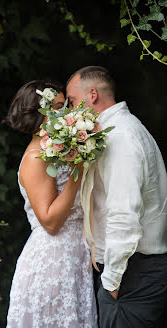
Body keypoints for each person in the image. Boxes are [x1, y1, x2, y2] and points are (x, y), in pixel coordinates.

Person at [66, 66, 167, 328]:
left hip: (132, 274)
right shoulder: (118, 130)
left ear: (92, 95)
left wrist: (110, 284)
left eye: (73, 101)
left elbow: (123, 215)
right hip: (131, 271)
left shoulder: (120, 137)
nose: (69, 110)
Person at [3, 80, 98, 328]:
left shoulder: (57, 151)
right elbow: (50, 221)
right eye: (55, 107)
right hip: (53, 260)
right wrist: (77, 171)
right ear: (37, 114)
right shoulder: (36, 157)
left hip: (74, 256)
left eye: (64, 105)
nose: (64, 112)